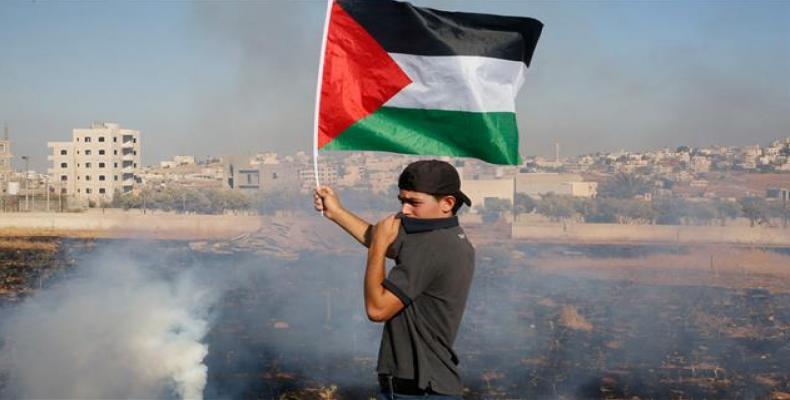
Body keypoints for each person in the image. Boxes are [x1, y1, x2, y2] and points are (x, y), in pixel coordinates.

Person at [313, 159, 475, 399]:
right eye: (402, 201)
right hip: (426, 387)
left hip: (421, 390)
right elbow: (379, 237)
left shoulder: (432, 247)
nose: (405, 210)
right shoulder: (443, 234)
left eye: (414, 202)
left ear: (447, 203)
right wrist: (336, 213)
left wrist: (376, 248)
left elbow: (377, 309)